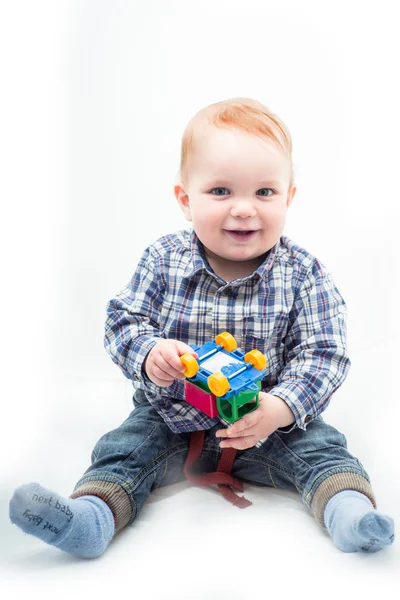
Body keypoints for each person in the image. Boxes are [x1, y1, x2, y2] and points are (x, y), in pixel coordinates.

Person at [9, 98, 394, 558]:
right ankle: (89, 519)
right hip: (170, 417)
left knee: (324, 451)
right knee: (124, 450)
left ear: (289, 197)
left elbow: (324, 353)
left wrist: (280, 407)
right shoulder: (163, 259)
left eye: (265, 193)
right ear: (185, 200)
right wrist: (150, 354)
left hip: (266, 420)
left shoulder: (304, 273)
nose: (244, 209)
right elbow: (122, 320)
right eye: (220, 191)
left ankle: (350, 514)